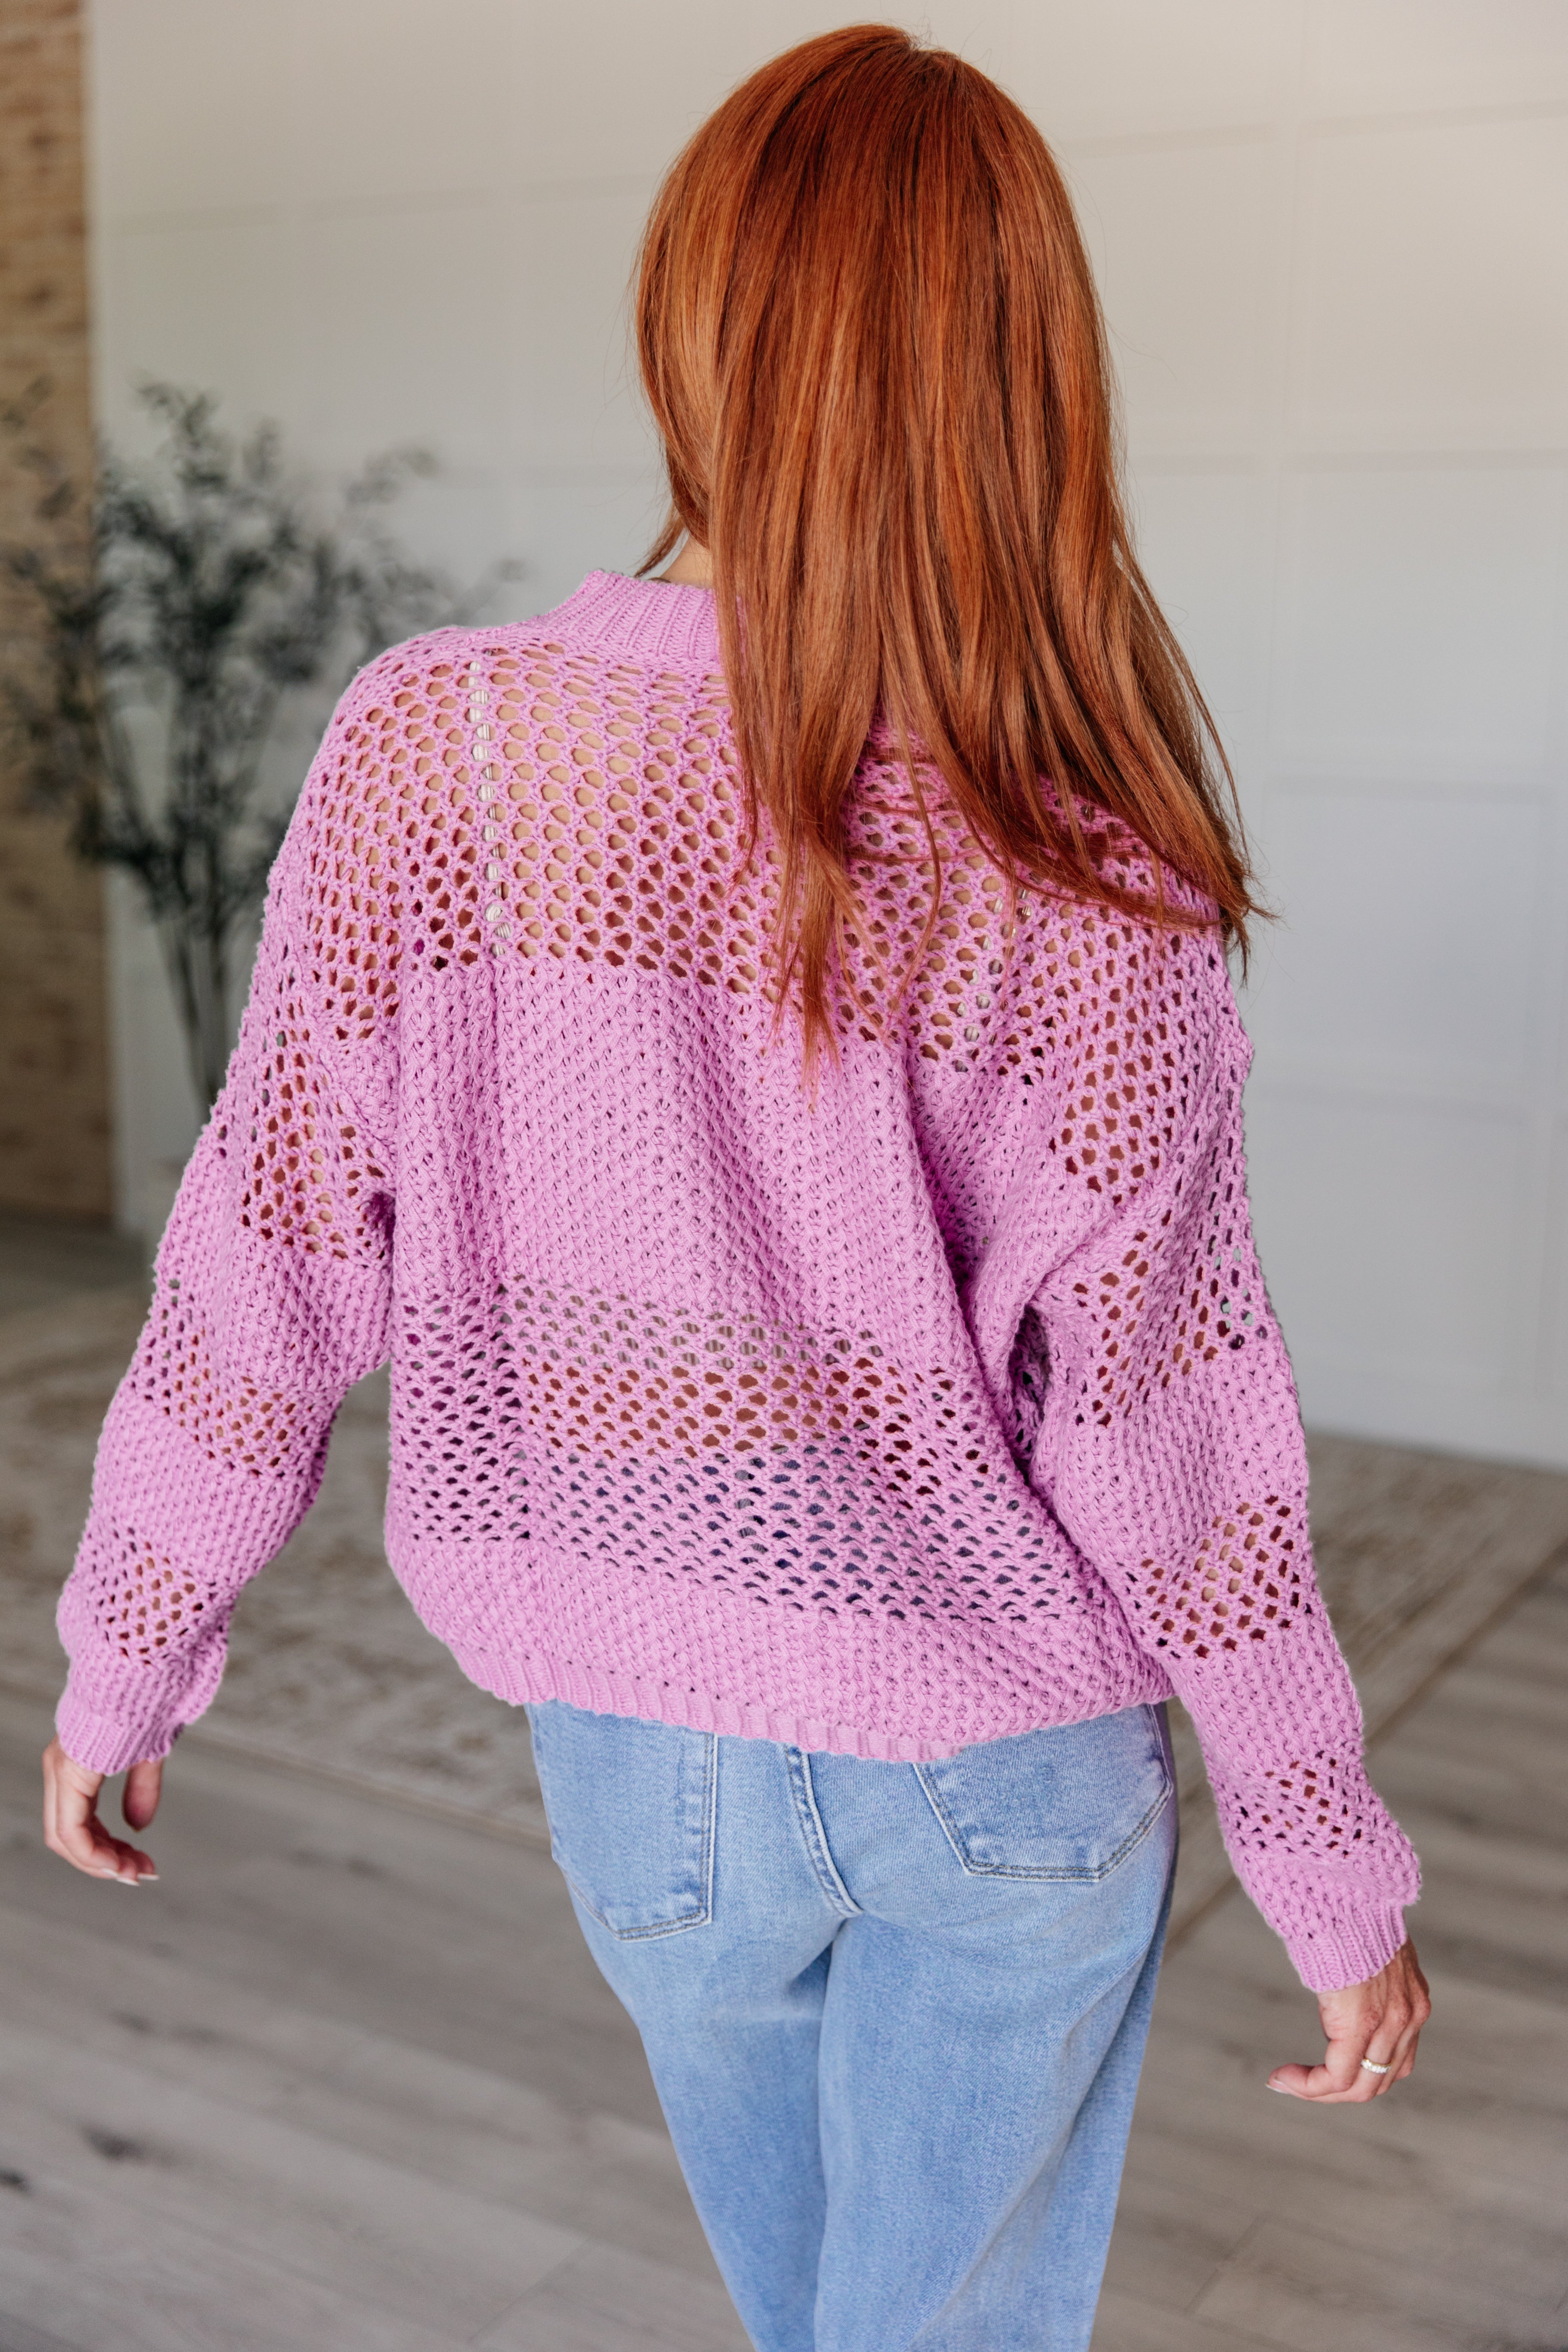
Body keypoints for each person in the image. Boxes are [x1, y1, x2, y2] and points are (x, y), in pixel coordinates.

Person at [43, 24, 1428, 2351]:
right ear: (1025, 386)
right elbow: (1173, 1450)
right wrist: (1328, 1863)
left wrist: (124, 1647)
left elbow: (256, 1264)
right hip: (1005, 1766)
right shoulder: (1088, 873)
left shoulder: (435, 755)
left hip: (636, 1767)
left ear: (688, 321)